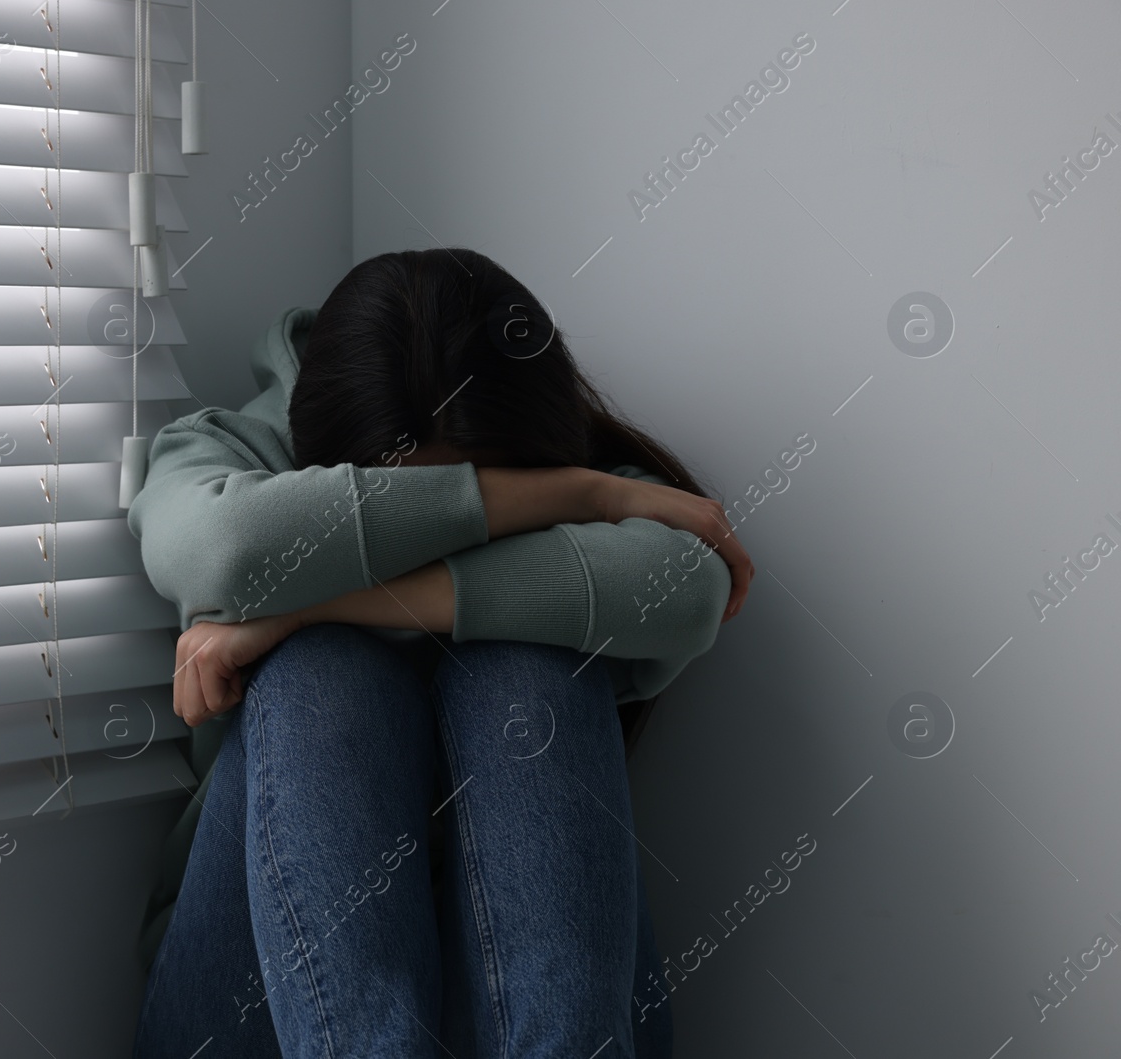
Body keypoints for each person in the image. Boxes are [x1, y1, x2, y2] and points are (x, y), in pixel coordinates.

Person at [127, 248, 753, 1058]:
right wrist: (580, 495)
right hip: (252, 1018)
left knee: (523, 662)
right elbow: (227, 549)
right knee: (325, 670)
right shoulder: (232, 456)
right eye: (407, 506)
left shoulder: (580, 467)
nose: (447, 517)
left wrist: (301, 604)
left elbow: (689, 591)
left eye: (481, 495)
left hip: (537, 1014)